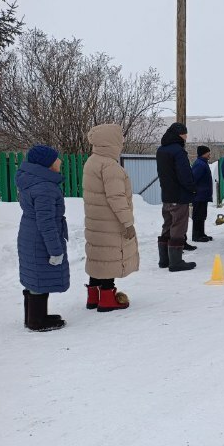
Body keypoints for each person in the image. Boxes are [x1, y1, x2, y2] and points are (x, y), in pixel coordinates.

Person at [82, 124, 139, 312]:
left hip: (96, 221)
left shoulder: (92, 161)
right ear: (111, 141)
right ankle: (107, 298)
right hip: (111, 222)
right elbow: (117, 198)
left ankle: (93, 296)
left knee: (98, 257)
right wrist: (127, 223)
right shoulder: (109, 166)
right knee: (110, 257)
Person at [16, 145, 68, 331]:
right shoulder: (44, 187)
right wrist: (55, 250)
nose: (60, 161)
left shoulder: (32, 181)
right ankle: (36, 322)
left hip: (30, 235)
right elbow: (46, 223)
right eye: (56, 158)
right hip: (40, 238)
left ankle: (34, 316)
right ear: (47, 164)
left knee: (35, 276)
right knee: (39, 278)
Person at [156, 122, 197, 271]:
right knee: (179, 226)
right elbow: (185, 174)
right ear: (180, 134)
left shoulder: (161, 150)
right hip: (179, 196)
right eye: (185, 133)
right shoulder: (178, 151)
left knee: (167, 225)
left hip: (167, 195)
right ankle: (176, 262)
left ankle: (164, 260)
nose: (186, 136)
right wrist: (192, 189)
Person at [191, 145, 213, 243]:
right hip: (199, 195)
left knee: (202, 215)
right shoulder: (200, 164)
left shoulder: (203, 163)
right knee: (198, 216)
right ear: (204, 153)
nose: (210, 154)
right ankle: (197, 235)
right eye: (208, 152)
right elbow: (194, 179)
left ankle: (201, 233)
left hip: (203, 195)